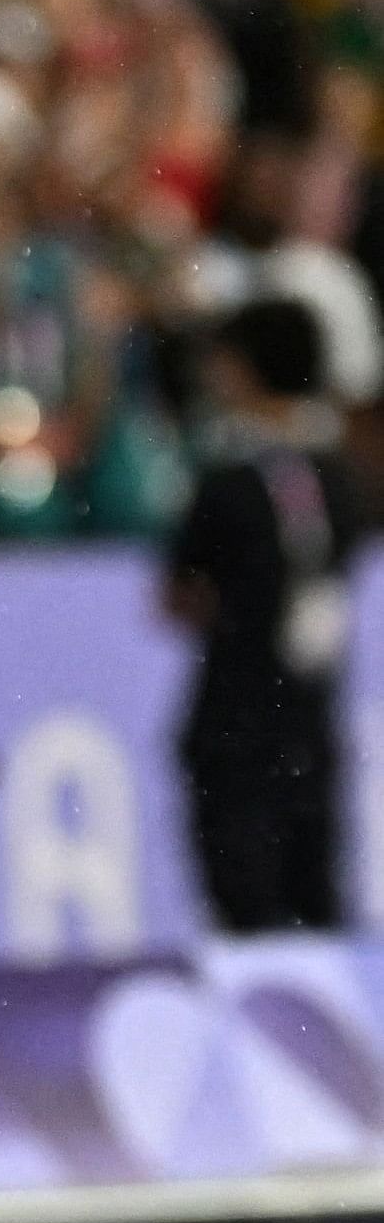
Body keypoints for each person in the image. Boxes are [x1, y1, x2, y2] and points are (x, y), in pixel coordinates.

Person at [165, 300, 358, 933]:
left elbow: (180, 596)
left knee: (245, 911)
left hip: (236, 723)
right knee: (313, 902)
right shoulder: (342, 481)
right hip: (310, 725)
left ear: (243, 369)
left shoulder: (226, 486)